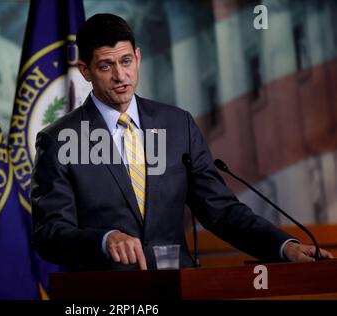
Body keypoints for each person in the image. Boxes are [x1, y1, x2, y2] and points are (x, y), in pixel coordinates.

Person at [31, 13, 333, 271]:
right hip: (106, 298)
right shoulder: (59, 141)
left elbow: (222, 211)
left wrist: (285, 247)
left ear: (137, 57)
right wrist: (103, 239)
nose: (120, 75)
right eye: (106, 66)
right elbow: (50, 234)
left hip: (179, 287)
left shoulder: (177, 125)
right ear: (85, 70)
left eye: (126, 61)